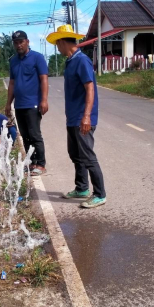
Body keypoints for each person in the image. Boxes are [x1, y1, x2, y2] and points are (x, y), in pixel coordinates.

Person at [46, 25, 106, 209]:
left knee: (87, 156)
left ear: (63, 42)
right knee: (76, 154)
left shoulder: (82, 61)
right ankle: (81, 188)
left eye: (57, 44)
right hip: (72, 118)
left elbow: (90, 88)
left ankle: (100, 194)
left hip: (82, 118)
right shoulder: (70, 61)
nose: (57, 48)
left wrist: (86, 116)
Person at [5, 30, 49, 175]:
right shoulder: (13, 61)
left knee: (35, 135)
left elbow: (44, 79)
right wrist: (8, 104)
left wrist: (44, 100)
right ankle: (31, 163)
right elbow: (12, 83)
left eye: (21, 42)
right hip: (19, 105)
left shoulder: (37, 58)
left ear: (27, 41)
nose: (18, 45)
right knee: (25, 136)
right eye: (16, 43)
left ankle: (41, 164)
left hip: (33, 104)